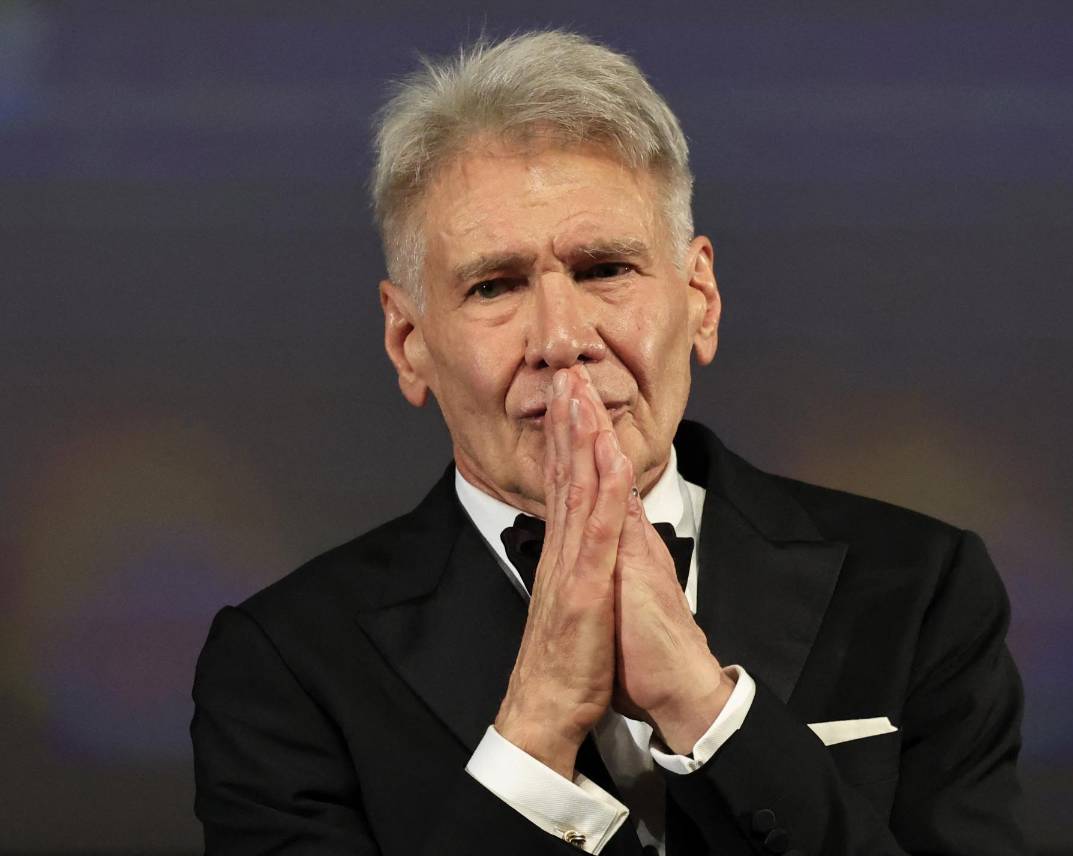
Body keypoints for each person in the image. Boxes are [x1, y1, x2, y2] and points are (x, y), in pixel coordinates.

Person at [191, 31, 1027, 855]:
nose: (562, 339)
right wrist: (537, 723)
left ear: (700, 299)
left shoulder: (920, 588)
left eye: (604, 270)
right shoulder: (283, 668)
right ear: (409, 343)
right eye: (495, 286)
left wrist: (709, 712)